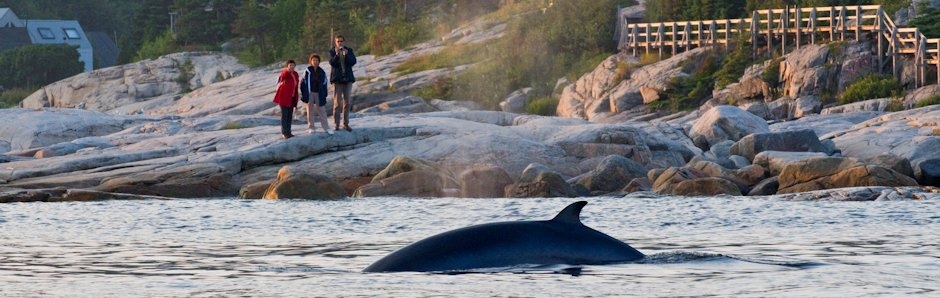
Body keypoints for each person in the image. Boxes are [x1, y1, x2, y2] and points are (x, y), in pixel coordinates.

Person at [300, 53, 334, 135]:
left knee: (322, 111)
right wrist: (304, 94)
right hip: (310, 93)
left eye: (317, 60)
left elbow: (325, 83)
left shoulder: (322, 72)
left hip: (319, 93)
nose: (315, 62)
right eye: (313, 60)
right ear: (311, 61)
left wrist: (324, 94)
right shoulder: (307, 71)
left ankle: (326, 128)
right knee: (310, 111)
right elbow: (302, 83)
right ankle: (311, 127)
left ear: (319, 62)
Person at [329, 35, 357, 131]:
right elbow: (332, 63)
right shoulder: (332, 51)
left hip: (348, 79)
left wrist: (347, 55)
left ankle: (345, 123)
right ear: (335, 42)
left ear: (343, 42)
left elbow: (353, 62)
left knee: (347, 102)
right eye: (338, 41)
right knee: (337, 103)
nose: (340, 42)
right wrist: (337, 55)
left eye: (341, 41)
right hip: (337, 80)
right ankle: (336, 124)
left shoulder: (349, 50)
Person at [273, 59, 300, 139]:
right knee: (285, 115)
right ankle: (284, 132)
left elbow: (296, 85)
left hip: (292, 97)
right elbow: (282, 76)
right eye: (290, 65)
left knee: (289, 115)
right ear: (287, 66)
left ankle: (289, 132)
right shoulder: (286, 73)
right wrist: (286, 70)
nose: (291, 67)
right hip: (284, 97)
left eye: (293, 65)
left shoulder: (295, 74)